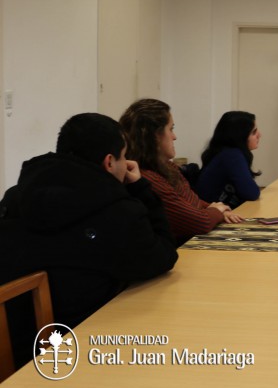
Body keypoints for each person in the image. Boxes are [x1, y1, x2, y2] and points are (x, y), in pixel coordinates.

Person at [0, 113, 178, 369]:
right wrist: (140, 188)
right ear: (109, 162)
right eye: (123, 156)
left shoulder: (14, 197)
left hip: (18, 351)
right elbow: (163, 256)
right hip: (85, 347)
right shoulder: (116, 210)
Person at [119, 99, 242, 246]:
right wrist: (216, 211)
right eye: (170, 129)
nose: (174, 136)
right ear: (154, 136)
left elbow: (190, 202)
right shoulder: (146, 178)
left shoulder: (167, 166)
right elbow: (199, 222)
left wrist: (215, 209)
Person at [196, 111, 262, 207]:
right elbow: (252, 193)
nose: (259, 135)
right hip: (213, 217)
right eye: (253, 132)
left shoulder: (225, 152)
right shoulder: (232, 155)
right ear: (240, 136)